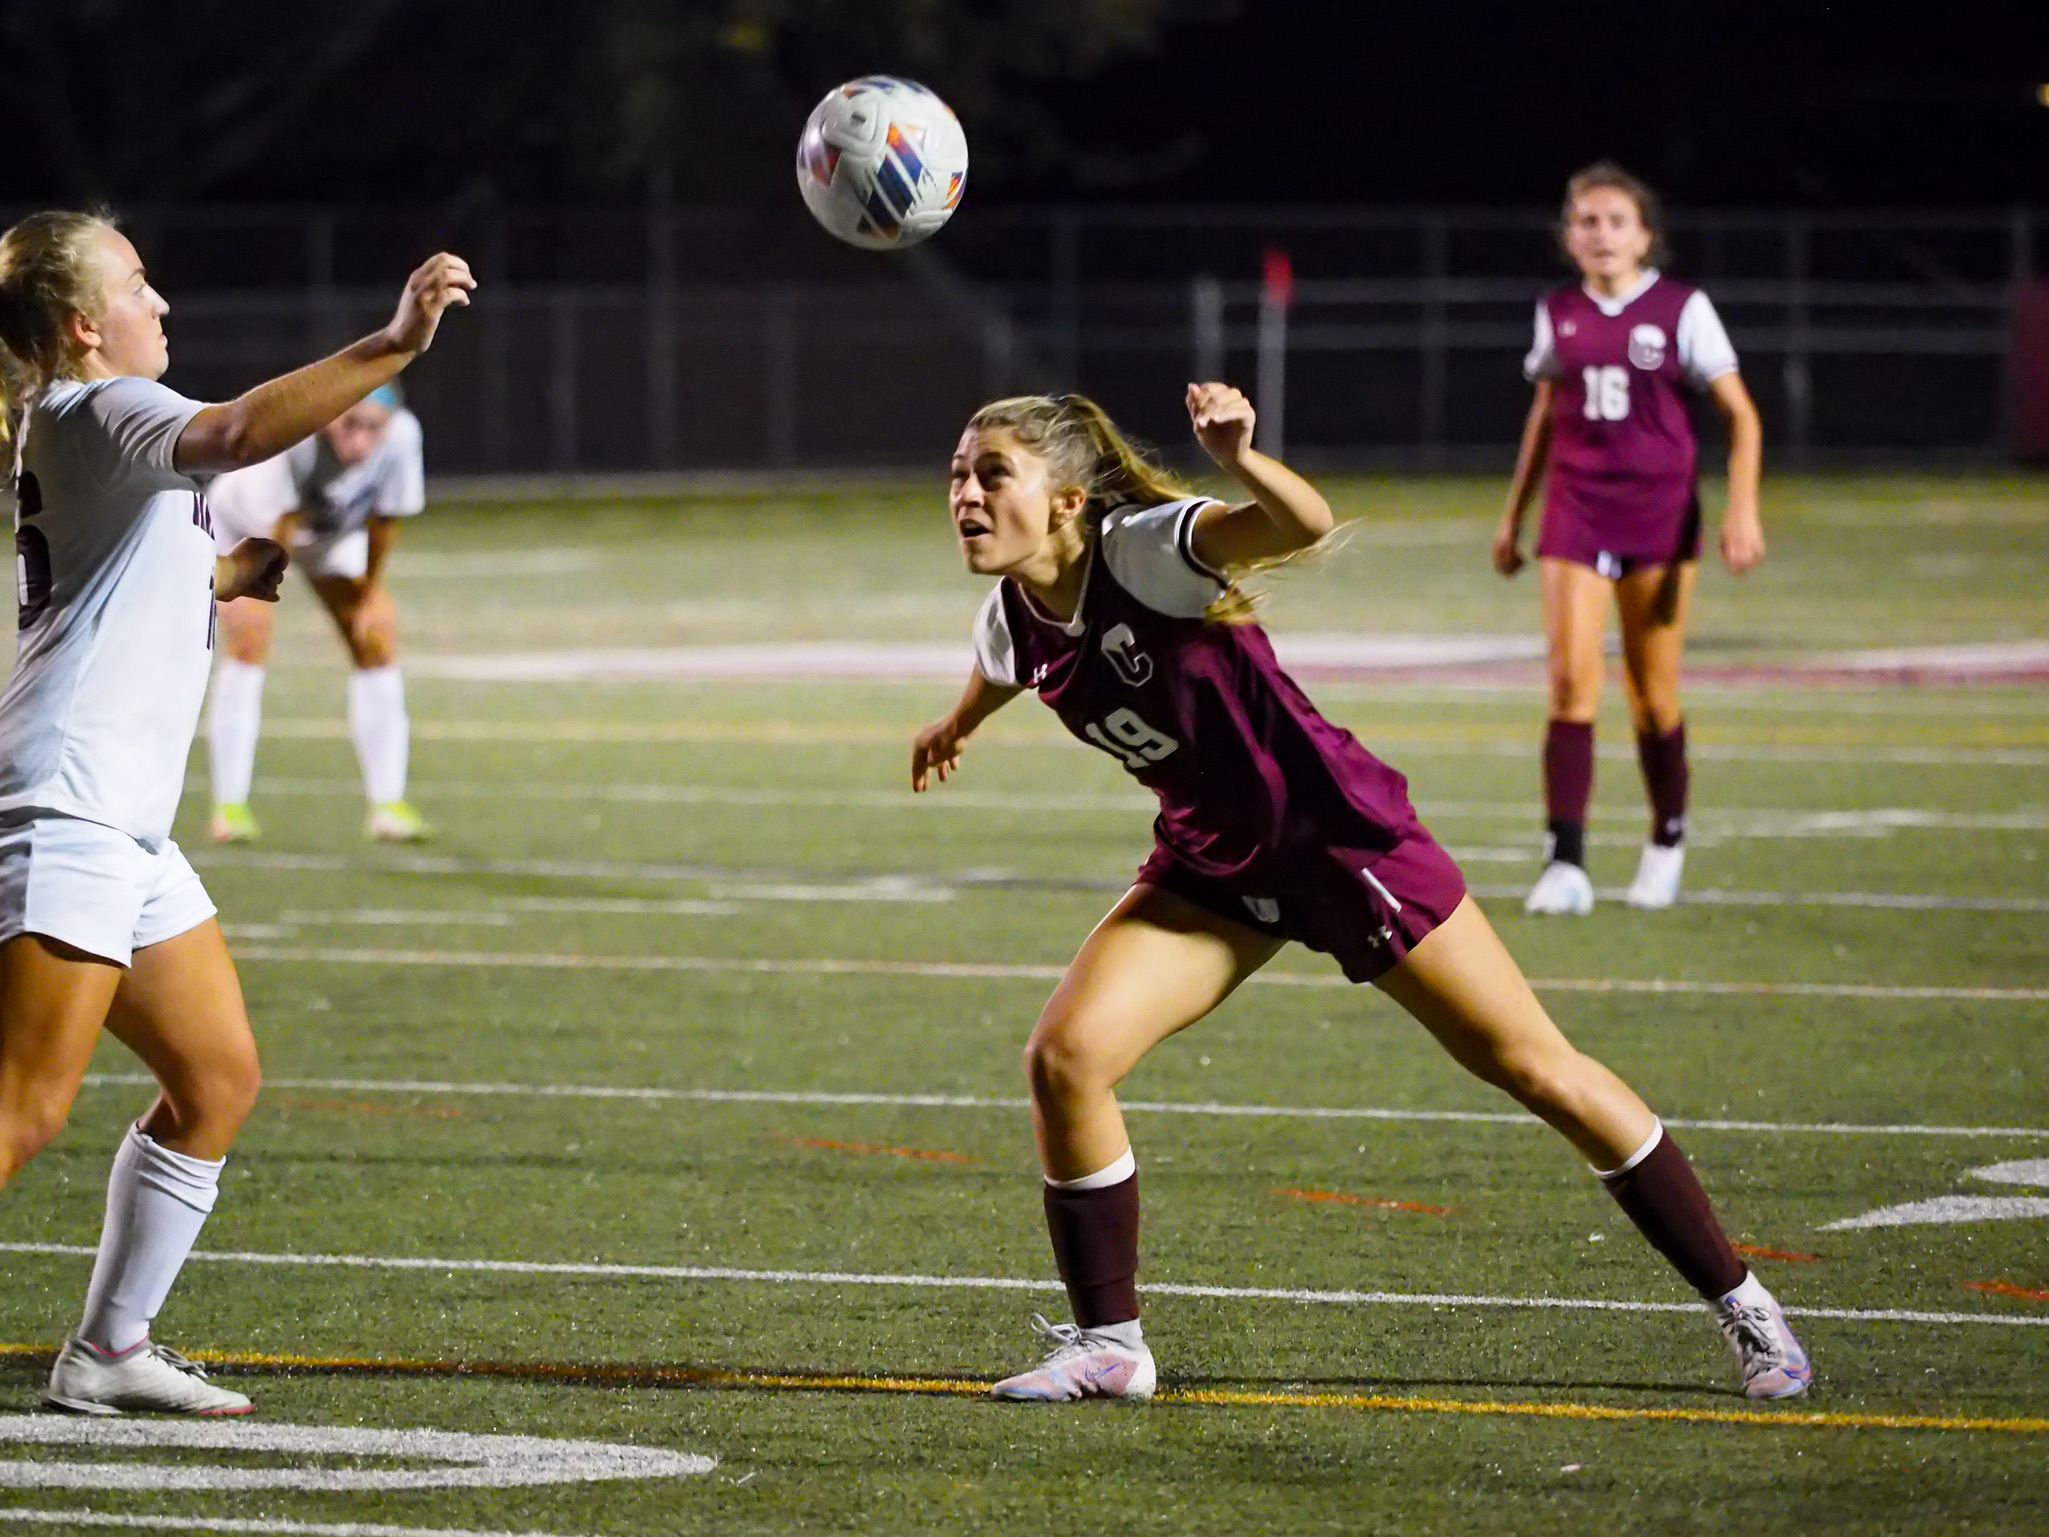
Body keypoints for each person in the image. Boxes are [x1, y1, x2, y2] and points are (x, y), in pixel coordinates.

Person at [910, 385, 1808, 1405]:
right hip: (1213, 864)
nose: (966, 495)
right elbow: (999, 668)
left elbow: (1302, 524)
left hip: (1338, 842)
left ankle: (1743, 1302)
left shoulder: (1142, 552)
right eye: (957, 474)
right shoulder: (1009, 618)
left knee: (1536, 1068)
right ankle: (1111, 1344)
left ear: (1068, 500)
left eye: (993, 474)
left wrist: (1242, 458)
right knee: (1066, 1058)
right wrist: (956, 724)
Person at [0, 208, 471, 1414]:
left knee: (215, 1079)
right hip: (71, 806)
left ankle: (107, 1351)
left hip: (126, 824)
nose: (164, 304)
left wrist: (225, 576)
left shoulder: (84, 424)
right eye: (140, 285)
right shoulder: (101, 405)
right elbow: (236, 431)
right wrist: (394, 341)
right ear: (82, 325)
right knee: (22, 1107)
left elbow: (112, 568)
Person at [1493, 162, 1765, 916]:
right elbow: (1543, 415)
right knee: (1569, 682)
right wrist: (1513, 516)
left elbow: (1741, 417)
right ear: (1567, 235)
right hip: (1575, 511)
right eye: (1587, 221)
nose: (1601, 234)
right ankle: (1566, 862)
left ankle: (1666, 840)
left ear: (1645, 235)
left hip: (1657, 514)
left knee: (1652, 696)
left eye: (1617, 221)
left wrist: (1741, 510)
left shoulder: (1682, 308)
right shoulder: (1557, 312)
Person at [205, 382, 428, 843]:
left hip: (327, 535)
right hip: (250, 533)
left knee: (376, 635)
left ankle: (389, 805)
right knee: (249, 640)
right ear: (329, 417)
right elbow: (278, 534)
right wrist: (256, 601)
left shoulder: (404, 435)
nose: (361, 441)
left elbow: (385, 518)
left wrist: (366, 595)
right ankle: (230, 808)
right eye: (351, 425)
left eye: (373, 428)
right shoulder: (296, 438)